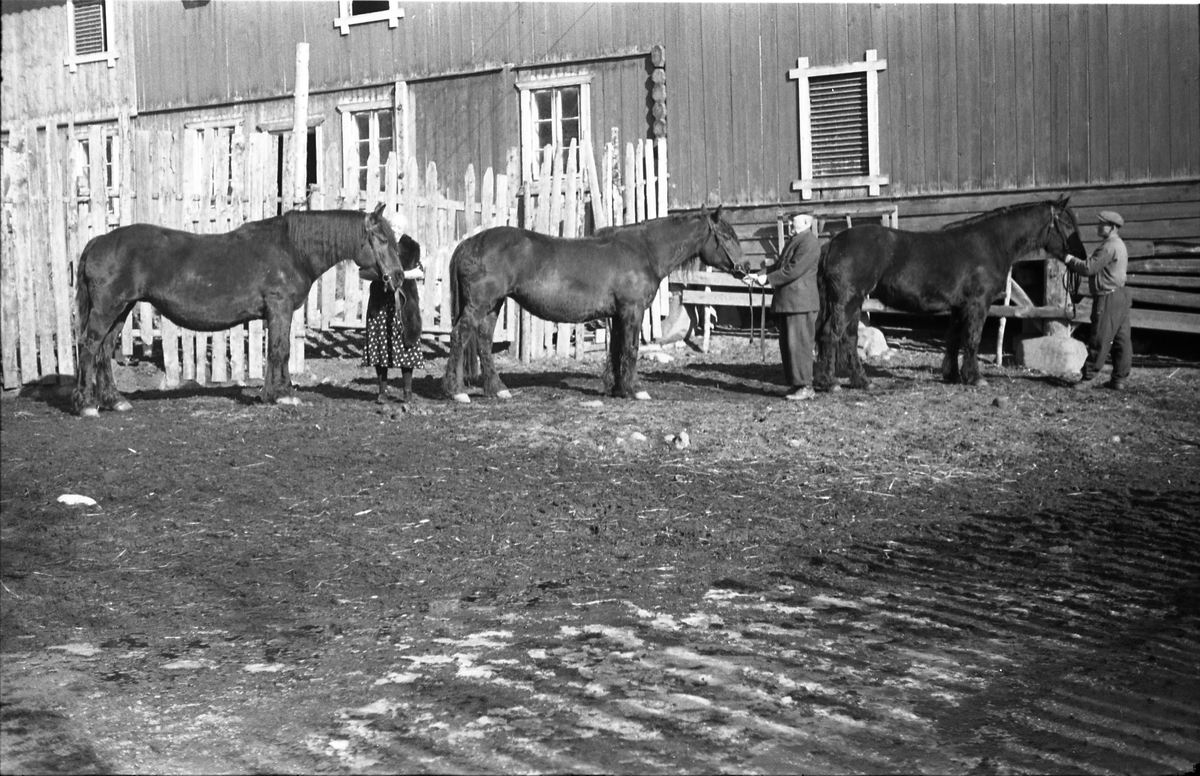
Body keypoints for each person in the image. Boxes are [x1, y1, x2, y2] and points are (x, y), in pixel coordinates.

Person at [743, 212, 821, 401]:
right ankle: (797, 384)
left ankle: (806, 386)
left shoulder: (809, 242)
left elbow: (793, 270)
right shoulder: (795, 240)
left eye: (793, 221)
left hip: (800, 304)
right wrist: (757, 275)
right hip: (790, 303)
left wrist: (767, 279)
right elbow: (779, 265)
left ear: (805, 222)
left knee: (800, 345)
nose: (790, 224)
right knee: (789, 346)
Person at [1063, 210, 1131, 391]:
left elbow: (1089, 268)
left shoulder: (1109, 246)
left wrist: (1070, 260)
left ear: (1112, 227)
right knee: (1121, 340)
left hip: (1108, 297)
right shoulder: (1119, 245)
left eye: (1102, 224)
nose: (1098, 227)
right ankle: (1119, 379)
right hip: (1121, 296)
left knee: (1099, 337)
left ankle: (1088, 378)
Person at [362, 238, 426, 403]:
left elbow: (420, 270)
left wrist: (402, 275)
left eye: (399, 226)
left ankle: (407, 392)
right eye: (393, 226)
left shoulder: (412, 247)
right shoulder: (378, 246)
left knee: (406, 345)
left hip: (404, 302)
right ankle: (382, 391)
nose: (396, 230)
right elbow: (363, 271)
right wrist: (382, 276)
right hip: (381, 301)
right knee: (381, 345)